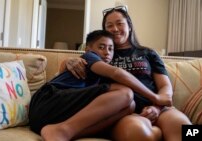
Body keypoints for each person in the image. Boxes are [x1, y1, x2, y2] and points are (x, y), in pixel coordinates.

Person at [63, 6, 192, 141]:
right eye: (109, 26)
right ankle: (156, 133)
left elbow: (165, 87)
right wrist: (69, 61)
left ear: (129, 26)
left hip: (158, 108)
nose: (115, 29)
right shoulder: (101, 53)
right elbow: (76, 67)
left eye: (120, 23)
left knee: (188, 130)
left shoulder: (148, 53)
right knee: (138, 134)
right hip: (125, 112)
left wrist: (157, 108)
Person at [28, 30, 171, 141]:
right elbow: (116, 73)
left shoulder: (100, 75)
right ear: (88, 49)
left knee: (129, 105)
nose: (107, 52)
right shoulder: (90, 58)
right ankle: (64, 130)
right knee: (125, 93)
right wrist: (155, 98)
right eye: (101, 47)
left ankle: (63, 131)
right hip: (46, 101)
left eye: (111, 49)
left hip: (49, 117)